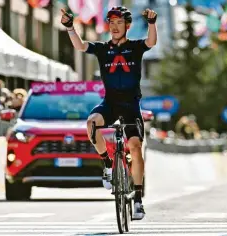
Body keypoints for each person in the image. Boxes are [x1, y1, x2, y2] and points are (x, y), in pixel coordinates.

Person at [61, 6, 157, 220]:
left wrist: (152, 24)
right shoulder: (103, 48)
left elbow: (151, 42)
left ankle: (138, 199)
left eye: (119, 23)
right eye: (111, 23)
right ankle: (107, 164)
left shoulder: (135, 47)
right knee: (92, 123)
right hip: (110, 104)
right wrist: (69, 27)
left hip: (131, 105)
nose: (114, 27)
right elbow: (81, 45)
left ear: (127, 26)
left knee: (135, 147)